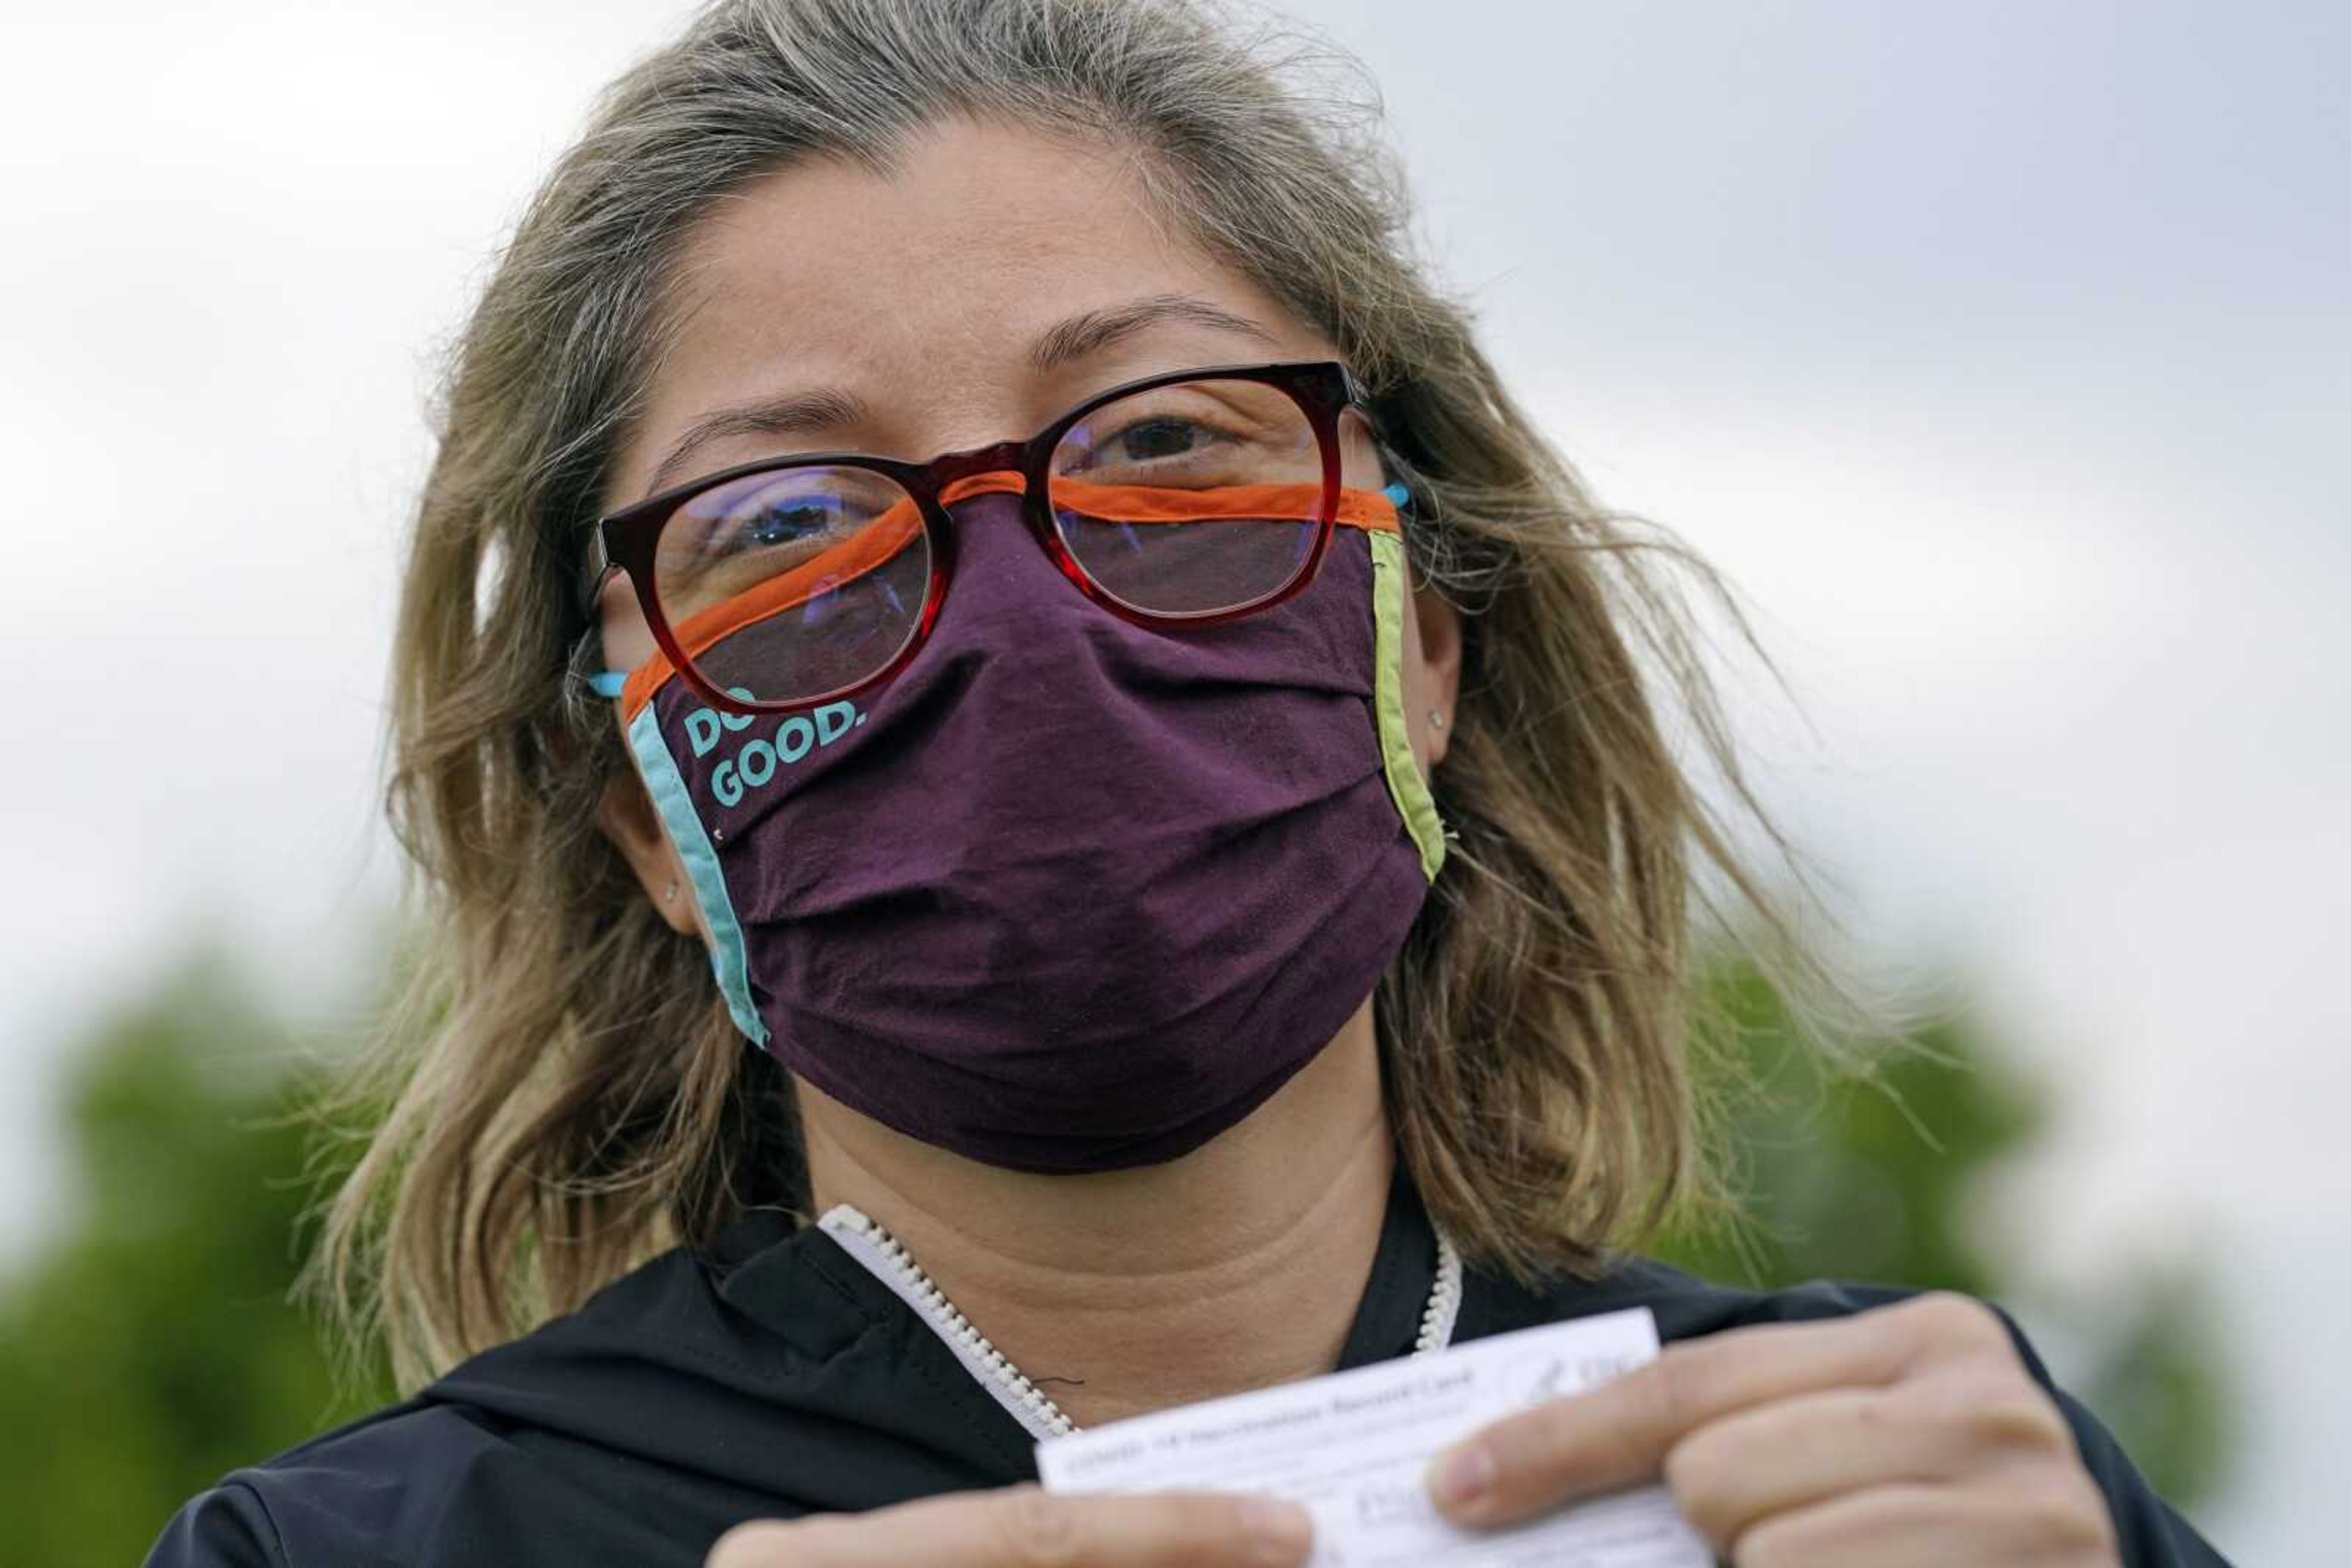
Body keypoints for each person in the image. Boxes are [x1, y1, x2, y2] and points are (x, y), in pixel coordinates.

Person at [144, 1, 2230, 1564]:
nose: (1017, 621)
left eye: (1161, 442)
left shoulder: (1892, 1461)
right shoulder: (369, 1552)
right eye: (786, 528)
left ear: (1424, 636)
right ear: (651, 820)